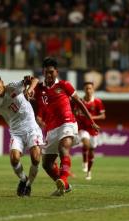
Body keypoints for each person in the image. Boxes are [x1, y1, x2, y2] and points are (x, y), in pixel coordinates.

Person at [25, 57, 99, 196]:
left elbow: (79, 103)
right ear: (43, 72)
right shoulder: (40, 88)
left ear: (57, 72)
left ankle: (63, 179)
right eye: (46, 72)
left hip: (68, 123)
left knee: (63, 148)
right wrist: (27, 86)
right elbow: (31, 91)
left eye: (51, 72)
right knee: (46, 164)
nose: (48, 75)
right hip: (51, 129)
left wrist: (91, 122)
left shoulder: (65, 85)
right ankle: (65, 186)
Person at [0, 70, 43, 197]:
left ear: (2, 82)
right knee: (14, 159)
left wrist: (29, 89)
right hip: (16, 132)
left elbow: (34, 80)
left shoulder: (13, 86)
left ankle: (28, 186)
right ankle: (23, 180)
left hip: (32, 128)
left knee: (35, 158)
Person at [74, 82, 106, 180]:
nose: (88, 90)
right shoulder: (80, 101)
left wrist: (92, 117)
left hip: (93, 128)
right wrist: (76, 113)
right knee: (86, 144)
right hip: (83, 128)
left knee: (92, 150)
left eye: (90, 88)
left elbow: (103, 116)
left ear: (93, 90)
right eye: (86, 88)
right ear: (84, 90)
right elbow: (75, 112)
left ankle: (89, 172)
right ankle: (84, 162)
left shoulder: (97, 102)